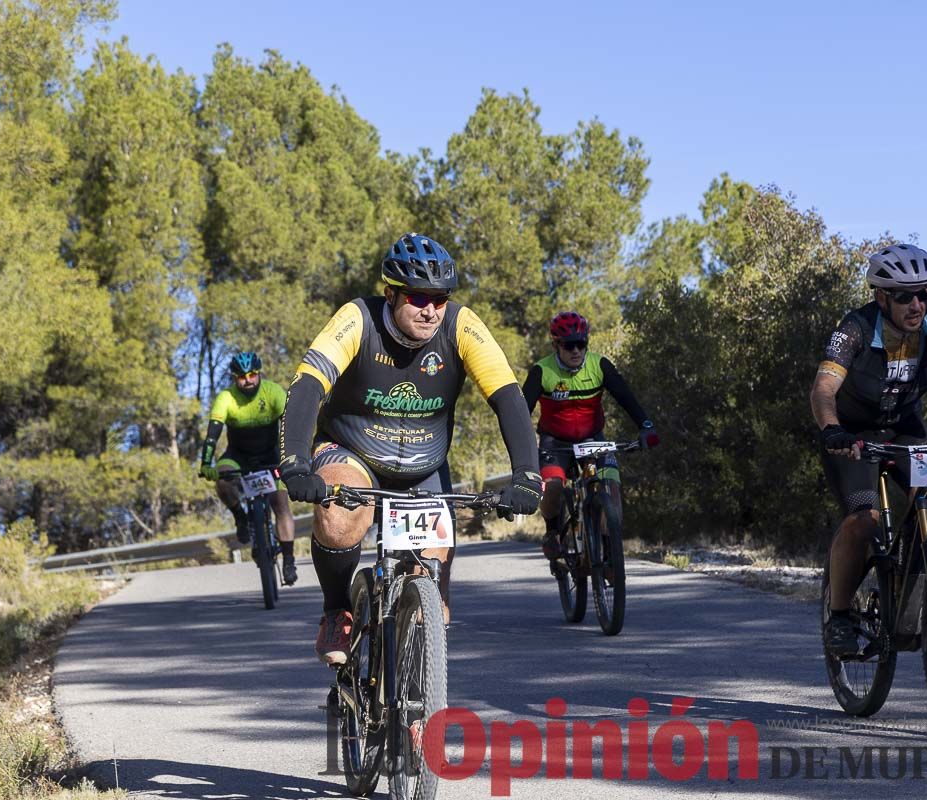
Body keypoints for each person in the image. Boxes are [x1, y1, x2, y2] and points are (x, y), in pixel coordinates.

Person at [279, 232, 543, 665]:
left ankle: (417, 704)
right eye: (419, 298)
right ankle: (336, 610)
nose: (431, 310)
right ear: (391, 293)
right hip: (351, 452)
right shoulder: (357, 318)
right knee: (341, 516)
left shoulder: (462, 324)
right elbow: (307, 384)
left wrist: (527, 474)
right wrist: (295, 462)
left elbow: (508, 396)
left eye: (439, 299)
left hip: (423, 467)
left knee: (431, 602)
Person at [810, 243, 927, 656]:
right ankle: (841, 616)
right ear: (881, 296)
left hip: (905, 432)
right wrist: (832, 430)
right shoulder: (855, 327)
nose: (916, 304)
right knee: (864, 520)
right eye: (905, 295)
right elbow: (823, 388)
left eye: (924, 293)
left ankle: (914, 605)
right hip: (852, 434)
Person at [522, 312, 659, 560]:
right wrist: (523, 449)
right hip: (555, 442)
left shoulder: (599, 365)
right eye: (568, 345)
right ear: (556, 345)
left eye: (581, 343)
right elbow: (522, 414)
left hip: (593, 438)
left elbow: (625, 396)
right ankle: (552, 531)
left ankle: (608, 553)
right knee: (552, 488)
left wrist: (646, 425)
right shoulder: (542, 371)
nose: (576, 350)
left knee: (612, 489)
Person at [199, 352, 299, 585]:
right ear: (234, 378)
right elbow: (212, 436)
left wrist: (295, 457)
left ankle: (289, 560)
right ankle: (241, 518)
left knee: (280, 504)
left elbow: (293, 427)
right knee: (222, 481)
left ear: (259, 374)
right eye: (242, 377)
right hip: (238, 456)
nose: (248, 380)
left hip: (271, 455)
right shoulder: (226, 398)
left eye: (253, 375)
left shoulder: (273, 392)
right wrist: (206, 463)